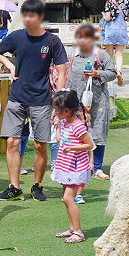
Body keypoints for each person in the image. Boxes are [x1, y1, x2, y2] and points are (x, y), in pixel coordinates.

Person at [0, 0, 68, 202]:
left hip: (42, 100)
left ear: (40, 17)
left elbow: (62, 72)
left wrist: (58, 104)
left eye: (31, 15)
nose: (27, 19)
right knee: (12, 142)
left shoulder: (52, 41)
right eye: (24, 15)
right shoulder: (16, 37)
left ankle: (37, 185)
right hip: (16, 98)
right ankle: (14, 188)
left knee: (41, 145)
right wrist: (9, 65)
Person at [66, 23, 117, 180]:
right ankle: (79, 166)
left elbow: (113, 72)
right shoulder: (73, 56)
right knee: (78, 132)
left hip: (98, 100)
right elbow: (68, 78)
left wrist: (98, 73)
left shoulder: (101, 55)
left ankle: (98, 168)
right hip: (78, 102)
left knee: (98, 132)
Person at [50, 90, 92, 243]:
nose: (54, 112)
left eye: (56, 110)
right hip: (65, 166)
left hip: (75, 168)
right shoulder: (65, 123)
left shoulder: (77, 126)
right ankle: (72, 228)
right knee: (66, 199)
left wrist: (73, 147)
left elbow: (89, 144)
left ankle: (78, 232)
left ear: (67, 111)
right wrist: (57, 127)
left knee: (68, 198)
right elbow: (61, 140)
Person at [100, 0, 129, 86]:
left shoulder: (109, 2)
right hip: (121, 29)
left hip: (111, 29)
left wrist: (104, 16)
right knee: (119, 54)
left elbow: (108, 18)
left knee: (109, 54)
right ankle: (119, 71)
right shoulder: (127, 1)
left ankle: (108, 78)